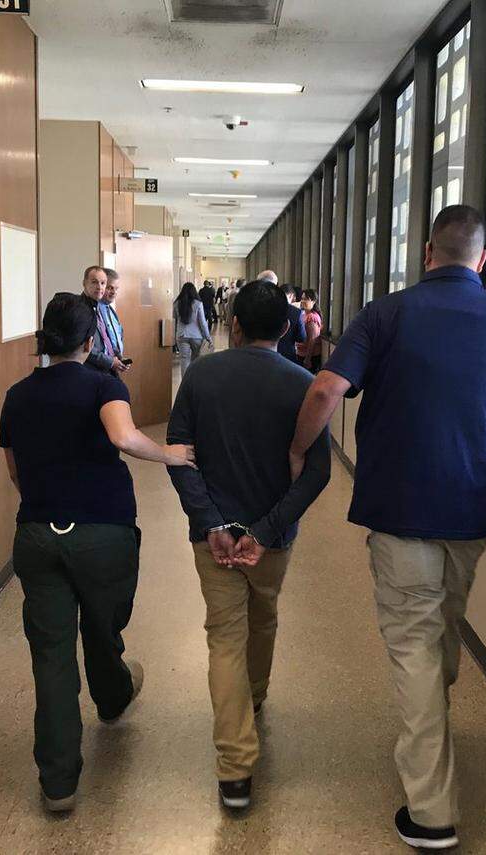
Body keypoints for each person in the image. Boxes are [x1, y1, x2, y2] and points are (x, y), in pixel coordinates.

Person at [287, 205, 486, 850]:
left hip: (402, 503)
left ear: (426, 253)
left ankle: (432, 811)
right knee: (441, 627)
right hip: (475, 507)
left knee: (414, 639)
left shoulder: (388, 313)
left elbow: (327, 390)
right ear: (483, 260)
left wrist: (301, 450)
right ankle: (428, 727)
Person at [0, 293, 196, 814]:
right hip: (103, 531)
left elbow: (16, 469)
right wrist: (172, 455)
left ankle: (58, 782)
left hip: (37, 535)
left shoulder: (17, 395)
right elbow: (125, 437)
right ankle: (112, 694)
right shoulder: (105, 383)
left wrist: (46, 506)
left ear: (47, 337)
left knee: (51, 655)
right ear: (91, 341)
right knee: (104, 626)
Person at [166, 280, 331, 811]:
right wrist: (263, 531)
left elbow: (179, 455)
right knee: (263, 617)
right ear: (287, 329)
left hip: (212, 538)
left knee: (224, 637)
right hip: (273, 539)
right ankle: (253, 697)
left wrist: (212, 522)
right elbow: (317, 474)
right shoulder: (301, 383)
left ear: (233, 325)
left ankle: (235, 772)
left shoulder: (200, 375)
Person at [81, 266, 128, 375]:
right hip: (92, 372)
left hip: (109, 370)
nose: (99, 287)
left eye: (102, 283)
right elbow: (84, 346)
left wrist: (118, 357)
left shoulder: (105, 309)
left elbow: (108, 340)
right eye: (94, 282)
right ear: (84, 283)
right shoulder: (80, 309)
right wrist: (111, 362)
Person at [174, 281, 212, 373]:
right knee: (196, 361)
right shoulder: (198, 304)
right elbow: (203, 323)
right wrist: (208, 337)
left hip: (182, 335)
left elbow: (174, 320)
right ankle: (194, 382)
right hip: (196, 336)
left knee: (184, 360)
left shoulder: (176, 303)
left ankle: (185, 384)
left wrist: (174, 336)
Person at [276, 283, 307, 365]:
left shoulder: (269, 308)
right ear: (291, 295)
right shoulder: (296, 312)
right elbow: (302, 338)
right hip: (288, 355)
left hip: (269, 353)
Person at [295, 289, 323, 372]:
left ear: (313, 301)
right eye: (302, 298)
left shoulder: (312, 317)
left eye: (306, 299)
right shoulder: (304, 314)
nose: (303, 301)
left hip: (310, 356)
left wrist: (308, 359)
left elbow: (312, 340)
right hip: (301, 354)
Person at [100, 268, 125, 359]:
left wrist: (119, 358)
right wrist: (110, 362)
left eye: (116, 288)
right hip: (99, 368)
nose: (114, 292)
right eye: (110, 288)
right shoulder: (93, 311)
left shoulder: (111, 312)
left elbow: (116, 339)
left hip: (113, 366)